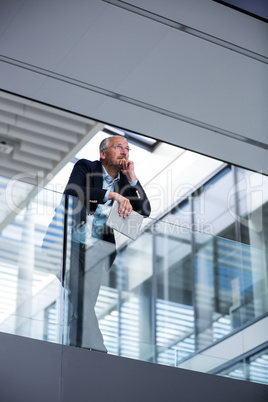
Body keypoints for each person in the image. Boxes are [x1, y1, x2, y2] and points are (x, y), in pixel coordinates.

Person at [64, 135, 151, 352]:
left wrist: (132, 179)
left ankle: (75, 346)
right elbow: (72, 191)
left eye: (128, 149)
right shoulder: (86, 166)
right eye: (119, 147)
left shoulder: (124, 181)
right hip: (74, 243)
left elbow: (145, 210)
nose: (125, 152)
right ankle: (98, 350)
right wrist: (113, 196)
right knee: (80, 296)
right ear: (104, 154)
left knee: (83, 302)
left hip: (100, 250)